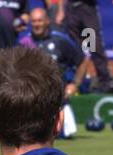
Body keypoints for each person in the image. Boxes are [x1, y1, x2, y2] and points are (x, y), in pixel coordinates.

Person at [19, 6, 83, 137]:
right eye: (34, 21)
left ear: (47, 21)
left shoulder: (60, 40)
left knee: (65, 135)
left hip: (59, 103)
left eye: (40, 21)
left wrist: (75, 84)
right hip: (32, 104)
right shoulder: (24, 43)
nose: (37, 24)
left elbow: (83, 61)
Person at [57, 0, 113, 92]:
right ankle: (77, 82)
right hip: (71, 8)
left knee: (94, 44)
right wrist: (61, 10)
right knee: (74, 47)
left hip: (87, 7)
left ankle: (105, 81)